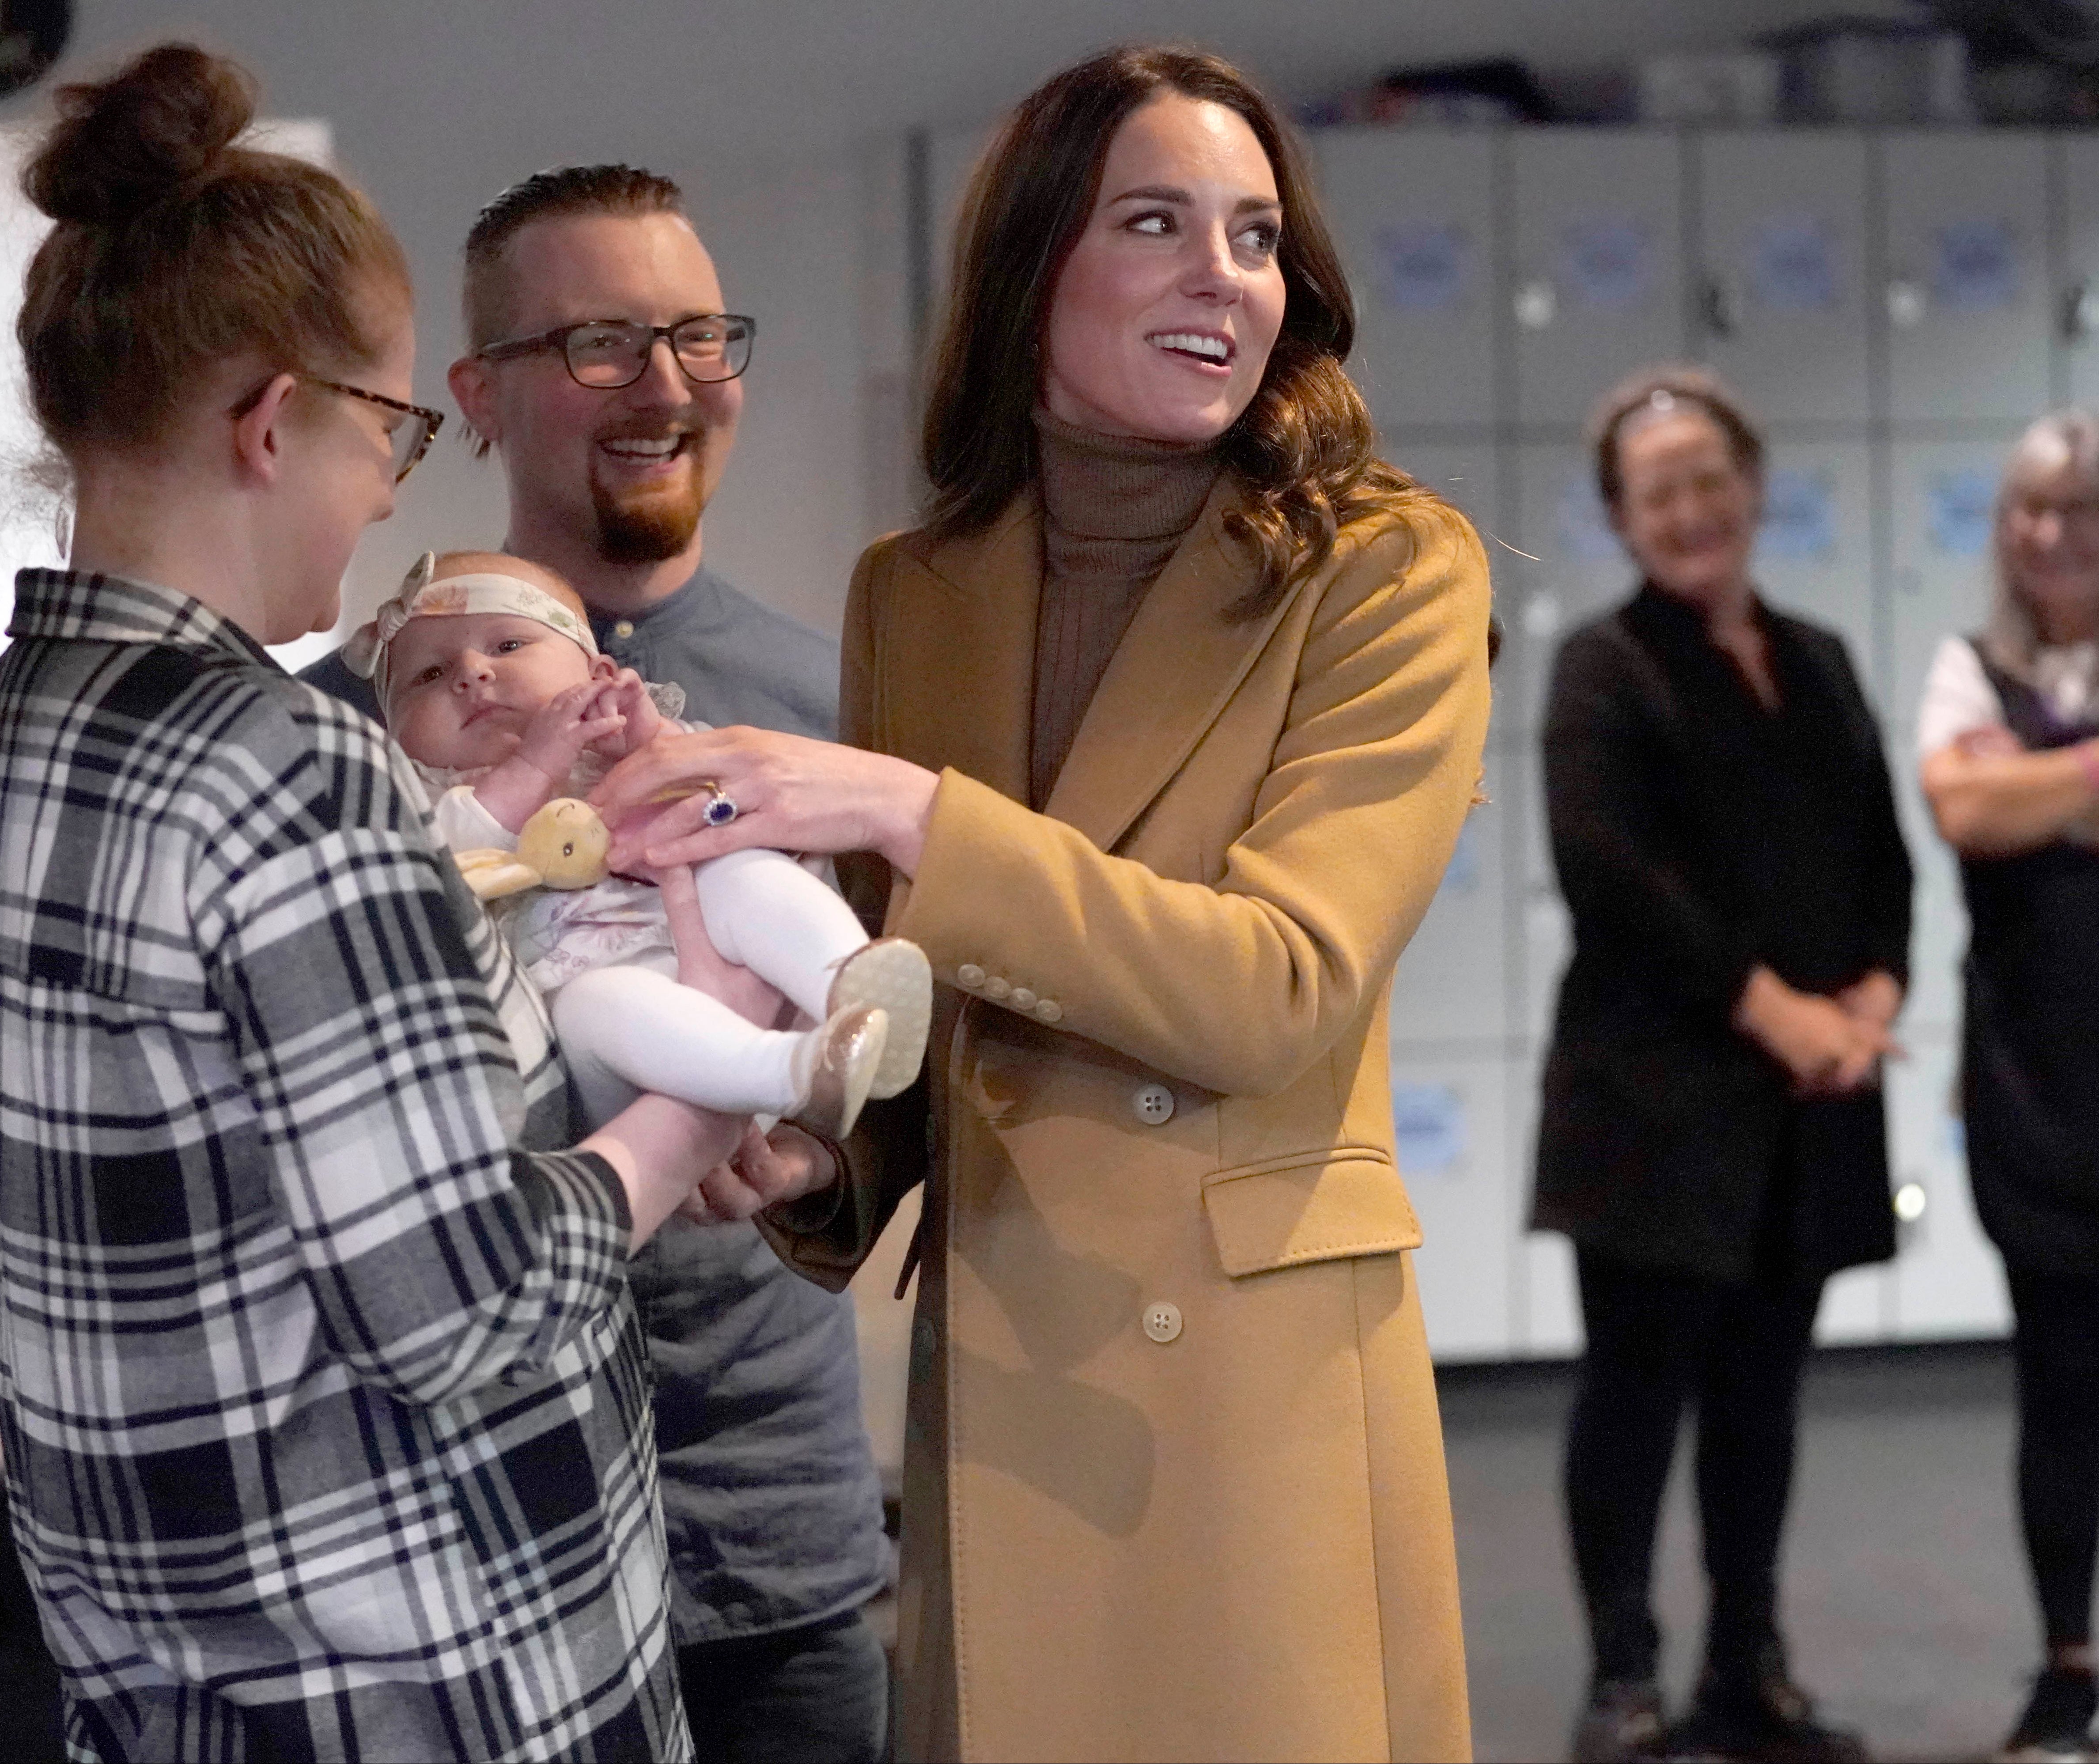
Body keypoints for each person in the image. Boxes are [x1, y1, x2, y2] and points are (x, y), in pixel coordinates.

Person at [588, 44, 1490, 1762]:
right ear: (1031, 270)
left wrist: (909, 805)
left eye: (1252, 234)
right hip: (1013, 1376)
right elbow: (931, 1018)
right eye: (1155, 222)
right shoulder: (919, 591)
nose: (1223, 274)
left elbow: (1274, 987)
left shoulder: (1382, 566)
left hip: (1251, 1398)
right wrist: (821, 1150)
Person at [0, 46, 753, 1761]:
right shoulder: (293, 765)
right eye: (387, 428)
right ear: (272, 419)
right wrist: (687, 1111)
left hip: (165, 1690)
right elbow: (470, 1306)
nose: (390, 490)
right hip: (436, 1684)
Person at [303, 166, 889, 1764]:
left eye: (701, 338)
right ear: (477, 398)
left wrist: (814, 1148)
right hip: (471, 1538)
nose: (668, 388)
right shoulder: (350, 737)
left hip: (777, 1530)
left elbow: (923, 1087)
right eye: (602, 345)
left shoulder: (831, 701)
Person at [1530, 367, 1911, 1764]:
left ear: (1750, 484)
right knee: (1634, 1397)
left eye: (1710, 480)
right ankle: (1621, 1679)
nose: (1691, 511)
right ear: (1623, 520)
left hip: (1806, 1110)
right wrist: (1779, 1011)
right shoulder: (1603, 667)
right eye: (1658, 492)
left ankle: (1748, 1670)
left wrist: (1871, 994)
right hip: (1652, 1110)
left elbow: (1882, 858)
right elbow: (1611, 877)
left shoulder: (1815, 658)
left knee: (1763, 1402)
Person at [344, 547, 932, 1135]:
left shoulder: (642, 745)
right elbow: (444, 878)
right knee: (592, 1006)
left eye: (508, 645)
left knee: (743, 872)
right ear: (392, 736)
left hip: (743, 976)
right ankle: (794, 1072)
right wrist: (529, 768)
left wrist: (659, 750)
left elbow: (739, 811)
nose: (471, 672)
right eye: (428, 675)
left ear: (598, 676)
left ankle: (851, 990)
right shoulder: (419, 808)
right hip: (629, 1068)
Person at [1917, 411, 2099, 1764]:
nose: (2053, 532)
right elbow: (1964, 813)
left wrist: (2031, 779)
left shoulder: (2000, 712)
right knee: (2057, 1387)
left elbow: (1999, 797)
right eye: (2032, 508)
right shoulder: (1964, 668)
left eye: (2080, 508)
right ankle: (2067, 1667)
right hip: (2036, 1096)